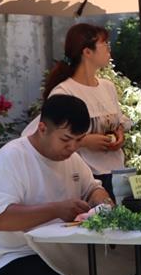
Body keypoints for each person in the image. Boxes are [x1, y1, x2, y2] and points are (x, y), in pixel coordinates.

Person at [0, 95, 136, 275]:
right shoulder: (10, 159)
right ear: (42, 128)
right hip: (10, 259)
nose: (72, 148)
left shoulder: (72, 159)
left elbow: (93, 187)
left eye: (79, 141)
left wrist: (100, 202)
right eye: (66, 139)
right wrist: (56, 209)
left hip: (61, 253)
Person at [42, 23, 130, 179]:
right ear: (87, 52)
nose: (109, 49)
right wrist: (84, 142)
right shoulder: (64, 92)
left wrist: (119, 133)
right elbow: (50, 138)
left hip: (117, 171)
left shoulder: (107, 86)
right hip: (84, 176)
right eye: (105, 44)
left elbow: (118, 121)